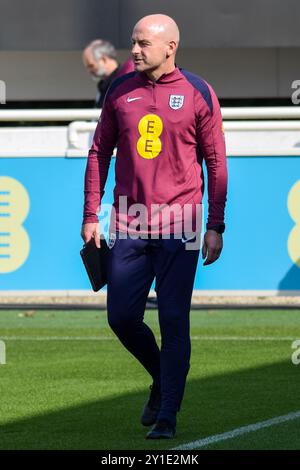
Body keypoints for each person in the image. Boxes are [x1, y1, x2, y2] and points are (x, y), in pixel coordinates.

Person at [81, 14, 228, 439]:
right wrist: (92, 214)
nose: (135, 50)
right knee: (122, 317)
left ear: (170, 47)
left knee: (174, 317)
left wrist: (215, 224)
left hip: (181, 221)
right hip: (128, 220)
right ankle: (162, 378)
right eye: (133, 41)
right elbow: (98, 152)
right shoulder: (118, 90)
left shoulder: (198, 92)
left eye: (144, 43)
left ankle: (168, 414)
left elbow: (216, 161)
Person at [82, 39, 134, 108]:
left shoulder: (125, 80)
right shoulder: (103, 85)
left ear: (104, 59)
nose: (89, 71)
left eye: (91, 66)